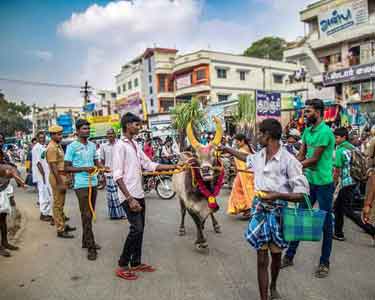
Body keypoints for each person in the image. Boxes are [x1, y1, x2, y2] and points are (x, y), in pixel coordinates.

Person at [220, 119, 309, 300]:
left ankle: (273, 285)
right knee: (261, 258)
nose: (257, 137)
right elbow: (247, 158)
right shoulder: (259, 156)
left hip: (279, 213)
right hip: (260, 210)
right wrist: (228, 150)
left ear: (268, 135)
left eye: (260, 133)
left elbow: (302, 195)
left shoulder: (289, 161)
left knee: (276, 257)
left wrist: (276, 195)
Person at [112, 112, 182, 280]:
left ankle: (136, 262)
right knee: (136, 229)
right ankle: (122, 264)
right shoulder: (119, 146)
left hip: (139, 193)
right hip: (129, 195)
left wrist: (176, 166)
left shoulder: (135, 144)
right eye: (136, 124)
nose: (139, 127)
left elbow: (149, 164)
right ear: (128, 125)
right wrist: (130, 199)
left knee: (140, 230)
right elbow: (117, 176)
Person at [282, 98, 335, 279]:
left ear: (319, 112)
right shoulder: (306, 132)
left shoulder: (326, 132)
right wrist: (288, 167)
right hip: (309, 183)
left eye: (309, 111)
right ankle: (289, 256)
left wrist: (296, 167)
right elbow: (302, 154)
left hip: (324, 184)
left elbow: (314, 160)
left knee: (326, 224)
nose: (305, 114)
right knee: (300, 218)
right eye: (305, 111)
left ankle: (324, 262)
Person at [64, 119, 108, 261]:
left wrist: (103, 167)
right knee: (87, 215)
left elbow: (96, 162)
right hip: (81, 184)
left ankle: (85, 241)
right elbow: (66, 167)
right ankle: (91, 247)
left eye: (88, 128)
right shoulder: (72, 147)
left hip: (93, 183)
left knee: (89, 213)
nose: (87, 131)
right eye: (84, 128)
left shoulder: (92, 145)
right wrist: (84, 169)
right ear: (77, 131)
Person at [332, 127, 375, 242]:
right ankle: (338, 232)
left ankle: (371, 230)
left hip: (346, 183)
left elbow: (337, 170)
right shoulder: (352, 147)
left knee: (347, 211)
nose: (335, 140)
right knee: (338, 207)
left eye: (337, 138)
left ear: (343, 137)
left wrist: (333, 184)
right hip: (354, 181)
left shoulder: (340, 150)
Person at [46, 125, 76, 239]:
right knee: (58, 204)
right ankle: (60, 229)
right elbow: (53, 166)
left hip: (61, 176)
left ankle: (63, 224)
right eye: (58, 134)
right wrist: (60, 183)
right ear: (52, 135)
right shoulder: (52, 148)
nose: (60, 136)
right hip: (57, 177)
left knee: (61, 203)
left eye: (61, 133)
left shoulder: (57, 145)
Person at [100, 128, 126, 220]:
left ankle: (122, 214)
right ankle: (114, 215)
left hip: (119, 174)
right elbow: (102, 161)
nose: (110, 135)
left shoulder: (120, 144)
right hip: (109, 175)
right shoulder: (103, 146)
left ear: (115, 135)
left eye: (112, 134)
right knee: (112, 196)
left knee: (120, 194)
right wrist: (103, 174)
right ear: (106, 136)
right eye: (108, 134)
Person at [227, 133, 255, 217]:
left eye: (237, 141)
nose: (236, 143)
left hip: (245, 174)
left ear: (242, 141)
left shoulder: (243, 150)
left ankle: (249, 208)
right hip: (243, 174)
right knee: (238, 190)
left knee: (246, 191)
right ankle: (246, 208)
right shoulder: (247, 148)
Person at [0, 149, 20, 257]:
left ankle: (4, 242)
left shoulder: (5, 165)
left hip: (2, 195)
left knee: (3, 220)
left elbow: (10, 178)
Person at [32, 131, 53, 222]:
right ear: (37, 139)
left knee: (48, 194)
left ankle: (48, 213)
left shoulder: (43, 147)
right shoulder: (36, 148)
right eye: (40, 137)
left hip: (46, 174)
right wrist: (43, 175)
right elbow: (38, 163)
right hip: (41, 176)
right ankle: (43, 214)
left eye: (43, 137)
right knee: (43, 194)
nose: (43, 139)